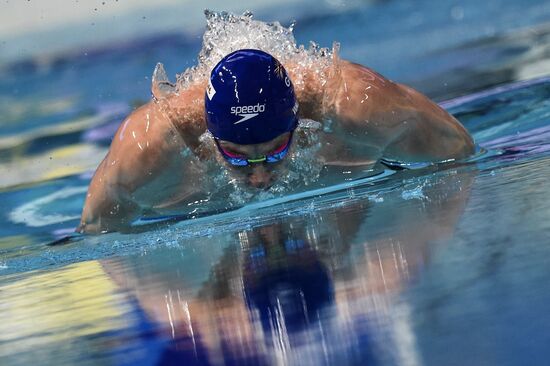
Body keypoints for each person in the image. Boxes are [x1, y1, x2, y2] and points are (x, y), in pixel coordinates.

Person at [78, 49, 474, 234]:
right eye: (235, 157)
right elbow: (96, 229)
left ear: (300, 126)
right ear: (209, 140)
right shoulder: (145, 150)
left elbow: (460, 151)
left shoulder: (361, 107)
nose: (259, 176)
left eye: (276, 151)